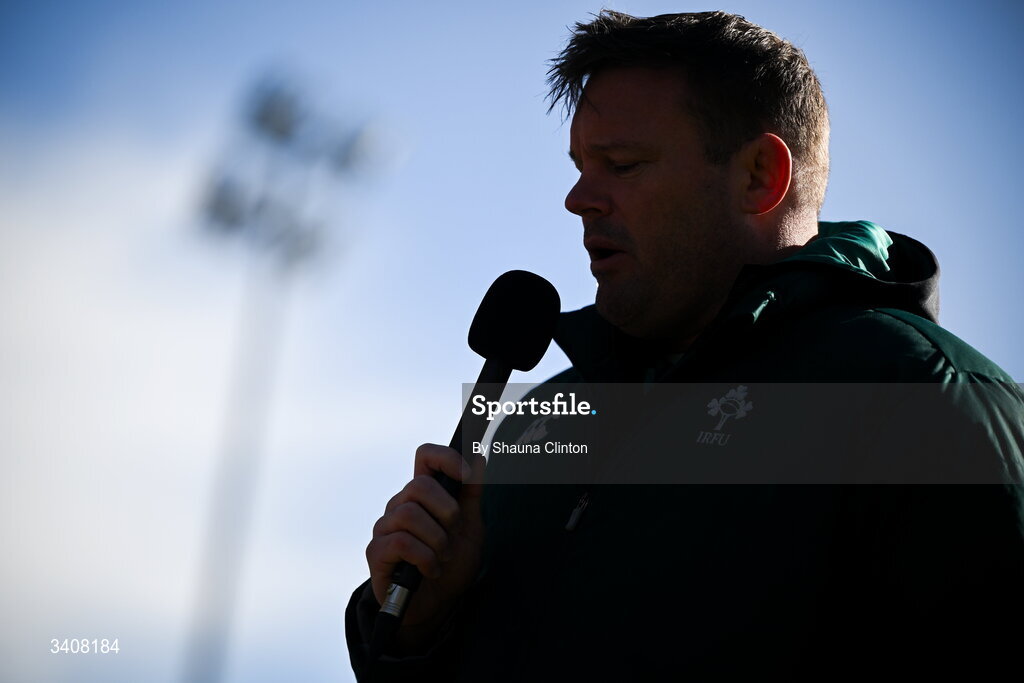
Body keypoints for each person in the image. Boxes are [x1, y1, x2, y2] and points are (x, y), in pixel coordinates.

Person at [346, 10, 1024, 680]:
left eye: (621, 164)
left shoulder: (918, 395)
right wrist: (416, 628)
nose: (577, 198)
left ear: (759, 176)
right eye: (580, 165)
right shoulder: (535, 423)